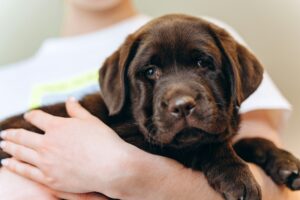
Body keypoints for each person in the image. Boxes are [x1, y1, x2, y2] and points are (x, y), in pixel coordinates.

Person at [0, 0, 299, 199]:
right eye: (151, 71)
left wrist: (127, 172)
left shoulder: (208, 30)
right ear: (120, 91)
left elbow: (269, 193)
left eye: (202, 64)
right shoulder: (8, 82)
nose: (181, 98)